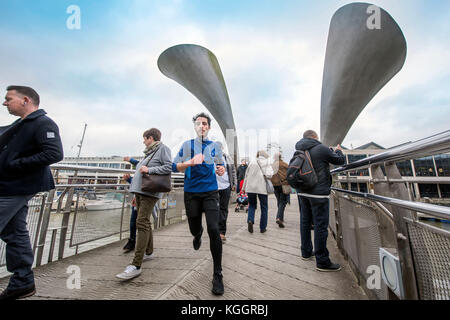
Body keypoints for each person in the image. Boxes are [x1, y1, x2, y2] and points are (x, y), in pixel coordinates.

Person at [0, 85, 64, 299]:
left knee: (14, 233)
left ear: (25, 100)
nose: (5, 103)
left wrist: (14, 164)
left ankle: (22, 281)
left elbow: (54, 153)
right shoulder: (19, 125)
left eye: (9, 98)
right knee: (14, 233)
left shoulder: (43, 123)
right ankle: (22, 282)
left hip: (16, 186)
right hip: (11, 185)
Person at [172, 112, 226, 295]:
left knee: (214, 229)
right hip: (192, 193)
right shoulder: (187, 146)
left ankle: (217, 274)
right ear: (195, 127)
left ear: (209, 127)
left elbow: (221, 165)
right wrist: (189, 163)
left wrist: (220, 168)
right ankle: (197, 234)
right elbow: (174, 166)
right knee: (195, 227)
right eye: (198, 123)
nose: (201, 126)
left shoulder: (214, 146)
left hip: (211, 192)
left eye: (204, 123)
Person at [116, 128, 172, 280]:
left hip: (150, 192)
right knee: (145, 222)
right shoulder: (148, 152)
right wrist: (134, 190)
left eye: (145, 138)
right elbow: (140, 173)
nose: (143, 141)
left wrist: (150, 169)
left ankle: (136, 264)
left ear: (151, 138)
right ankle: (149, 252)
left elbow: (168, 167)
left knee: (141, 222)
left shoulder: (163, 149)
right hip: (140, 192)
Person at [295, 130, 345, 272]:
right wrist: (339, 151)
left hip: (302, 192)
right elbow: (340, 161)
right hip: (318, 193)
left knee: (305, 222)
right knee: (320, 225)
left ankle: (306, 252)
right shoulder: (321, 148)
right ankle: (322, 261)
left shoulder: (299, 150)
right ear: (315, 137)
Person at [121, 157, 159, 253]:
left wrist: (130, 179)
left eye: (145, 140)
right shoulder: (148, 157)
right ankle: (134, 242)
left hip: (146, 195)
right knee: (135, 221)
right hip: (139, 195)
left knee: (141, 222)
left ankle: (143, 247)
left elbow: (146, 181)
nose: (143, 142)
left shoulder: (156, 159)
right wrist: (130, 160)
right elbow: (139, 166)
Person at [242, 150, 273, 234]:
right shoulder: (267, 162)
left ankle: (250, 220)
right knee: (264, 207)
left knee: (252, 205)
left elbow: (246, 175)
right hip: (261, 188)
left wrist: (243, 188)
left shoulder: (252, 162)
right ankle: (263, 228)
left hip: (250, 187)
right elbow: (269, 175)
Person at [215, 141, 237, 243]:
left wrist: (234, 184)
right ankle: (215, 230)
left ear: (222, 148)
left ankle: (221, 232)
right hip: (213, 187)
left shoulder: (228, 158)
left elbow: (233, 171)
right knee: (214, 209)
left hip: (226, 187)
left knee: (223, 209)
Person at [271, 153, 290, 228]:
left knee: (279, 201)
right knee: (282, 202)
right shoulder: (285, 164)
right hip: (284, 184)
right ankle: (279, 217)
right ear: (280, 157)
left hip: (275, 185)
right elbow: (289, 173)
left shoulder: (272, 165)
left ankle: (280, 217)